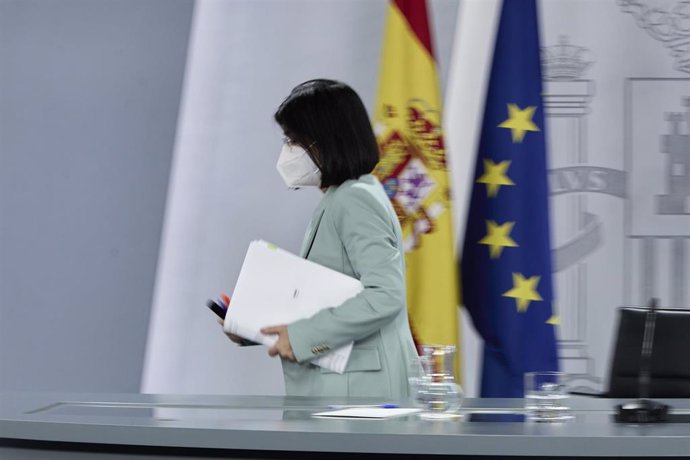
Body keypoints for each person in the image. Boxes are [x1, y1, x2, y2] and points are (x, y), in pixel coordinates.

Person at [224, 79, 418, 398]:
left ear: (325, 141)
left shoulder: (355, 199)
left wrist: (301, 338)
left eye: (293, 141)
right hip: (346, 387)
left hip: (360, 394)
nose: (286, 153)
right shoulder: (342, 197)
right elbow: (325, 297)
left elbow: (385, 294)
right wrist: (251, 326)